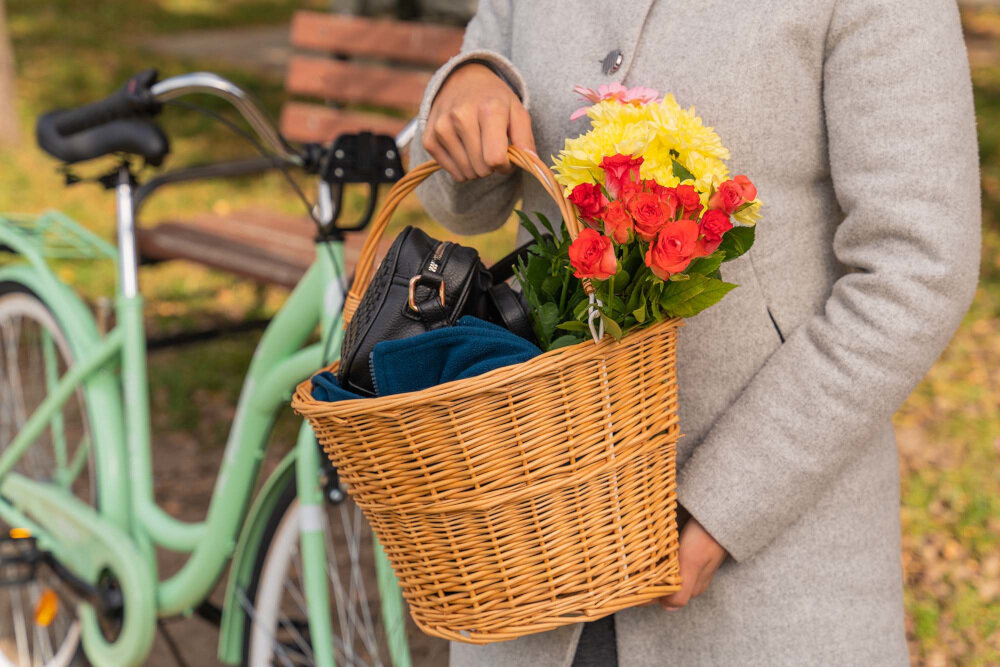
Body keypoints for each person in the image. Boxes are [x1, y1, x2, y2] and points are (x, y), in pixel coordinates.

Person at [409, 1, 981, 665]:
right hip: (531, 561)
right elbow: (462, 202)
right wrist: (469, 83)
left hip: (765, 581)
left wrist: (724, 502)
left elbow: (917, 269)